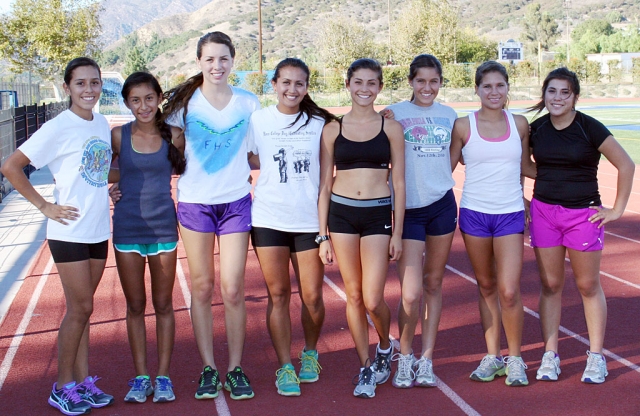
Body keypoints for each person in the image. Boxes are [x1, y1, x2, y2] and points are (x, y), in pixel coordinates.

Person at [1, 57, 115, 415]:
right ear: (67, 88)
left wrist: (110, 187)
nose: (89, 90)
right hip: (69, 231)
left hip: (98, 227)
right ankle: (63, 386)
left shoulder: (101, 122)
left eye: (94, 83)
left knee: (85, 310)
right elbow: (11, 166)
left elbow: (93, 171)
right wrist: (44, 206)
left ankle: (82, 382)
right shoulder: (58, 127)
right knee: (79, 308)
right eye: (80, 83)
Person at [161, 31, 260, 400]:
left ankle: (235, 368)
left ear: (233, 60)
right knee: (202, 288)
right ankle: (208, 367)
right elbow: (165, 154)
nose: (217, 66)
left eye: (223, 59)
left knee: (233, 289)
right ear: (199, 62)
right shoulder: (183, 107)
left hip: (236, 202)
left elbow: (257, 153)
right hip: (195, 204)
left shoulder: (249, 104)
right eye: (209, 59)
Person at [528, 68, 634, 384]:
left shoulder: (589, 128)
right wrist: (550, 180)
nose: (557, 98)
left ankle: (596, 356)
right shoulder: (536, 129)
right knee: (550, 285)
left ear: (575, 96)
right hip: (545, 213)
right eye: (552, 91)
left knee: (588, 285)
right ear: (544, 94)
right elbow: (523, 165)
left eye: (565, 92)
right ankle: (550, 355)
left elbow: (626, 164)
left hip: (582, 217)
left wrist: (616, 210)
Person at [247, 58, 337, 397]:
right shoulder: (258, 120)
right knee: (279, 295)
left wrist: (387, 116)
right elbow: (244, 157)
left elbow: (358, 128)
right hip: (268, 219)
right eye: (285, 82)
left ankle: (310, 354)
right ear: (274, 84)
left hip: (308, 222)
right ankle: (285, 365)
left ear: (307, 87)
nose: (292, 89)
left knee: (312, 296)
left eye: (299, 83)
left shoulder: (320, 123)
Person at [318, 58, 406, 399]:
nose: (365, 89)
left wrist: (397, 232)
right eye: (359, 82)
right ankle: (366, 364)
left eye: (372, 83)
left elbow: (398, 180)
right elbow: (325, 185)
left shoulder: (391, 129)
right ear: (348, 84)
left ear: (380, 87)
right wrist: (322, 234)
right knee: (352, 296)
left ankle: (385, 345)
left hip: (377, 215)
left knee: (372, 298)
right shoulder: (332, 129)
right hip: (341, 215)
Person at [449, 61, 534, 387]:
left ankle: (515, 359)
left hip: (510, 214)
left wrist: (571, 172)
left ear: (507, 88)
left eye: (500, 86)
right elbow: (446, 167)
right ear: (477, 89)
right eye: (487, 86)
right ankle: (492, 356)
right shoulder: (463, 126)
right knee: (486, 287)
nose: (494, 92)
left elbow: (526, 165)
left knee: (509, 290)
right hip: (474, 214)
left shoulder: (520, 124)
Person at [382, 54, 458, 388]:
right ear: (411, 82)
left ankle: (426, 358)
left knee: (434, 283)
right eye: (421, 81)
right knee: (411, 294)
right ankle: (406, 355)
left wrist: (438, 178)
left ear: (440, 82)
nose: (428, 87)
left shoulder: (450, 115)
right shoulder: (395, 113)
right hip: (408, 209)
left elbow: (453, 156)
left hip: (442, 205)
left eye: (434, 81)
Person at [109, 72, 186, 403]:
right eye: (135, 100)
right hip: (127, 227)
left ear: (159, 99)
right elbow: (112, 170)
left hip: (163, 227)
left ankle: (164, 377)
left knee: (164, 304)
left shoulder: (175, 136)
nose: (143, 106)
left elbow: (187, 169)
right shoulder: (117, 136)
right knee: (136, 305)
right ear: (127, 103)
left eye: (149, 98)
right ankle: (141, 378)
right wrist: (112, 187)